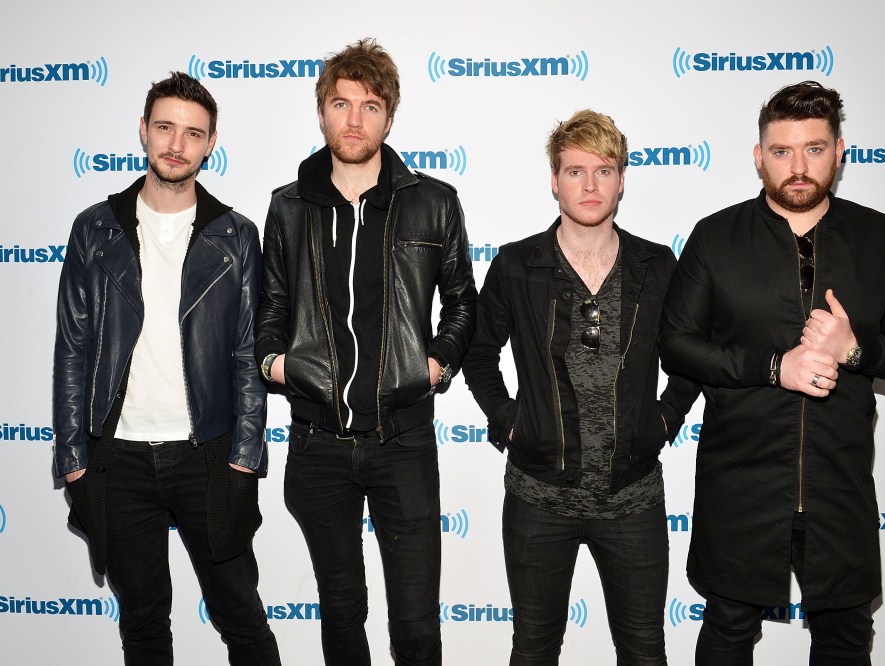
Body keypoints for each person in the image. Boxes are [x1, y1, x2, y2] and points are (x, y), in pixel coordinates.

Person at [659, 80, 885, 665]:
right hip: (740, 480)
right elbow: (676, 346)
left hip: (839, 481)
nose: (797, 167)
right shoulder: (716, 238)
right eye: (781, 151)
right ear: (758, 156)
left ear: (840, 152)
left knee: (844, 636)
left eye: (814, 149)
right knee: (729, 630)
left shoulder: (881, 238)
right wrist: (772, 367)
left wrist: (855, 350)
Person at [255, 38, 476, 666]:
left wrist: (437, 364)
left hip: (403, 442)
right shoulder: (288, 206)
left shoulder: (433, 201)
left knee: (415, 624)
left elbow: (462, 300)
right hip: (317, 443)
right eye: (341, 104)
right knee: (341, 613)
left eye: (371, 106)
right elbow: (271, 305)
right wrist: (276, 363)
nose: (355, 120)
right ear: (321, 111)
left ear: (389, 116)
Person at [53, 72, 280, 665]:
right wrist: (74, 460)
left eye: (193, 133)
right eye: (165, 127)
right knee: (144, 624)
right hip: (117, 459)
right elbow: (72, 349)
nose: (176, 144)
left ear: (210, 144)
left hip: (208, 454)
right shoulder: (93, 229)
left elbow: (246, 356)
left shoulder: (235, 236)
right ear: (144, 131)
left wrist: (244, 456)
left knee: (243, 619)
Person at [462, 109, 700, 665]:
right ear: (554, 179)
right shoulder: (519, 265)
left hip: (633, 496)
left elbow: (691, 357)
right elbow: (476, 353)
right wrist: (508, 419)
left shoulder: (656, 266)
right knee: (535, 649)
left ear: (621, 180)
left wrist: (666, 420)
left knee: (644, 649)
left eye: (604, 170)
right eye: (575, 171)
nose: (590, 185)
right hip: (538, 497)